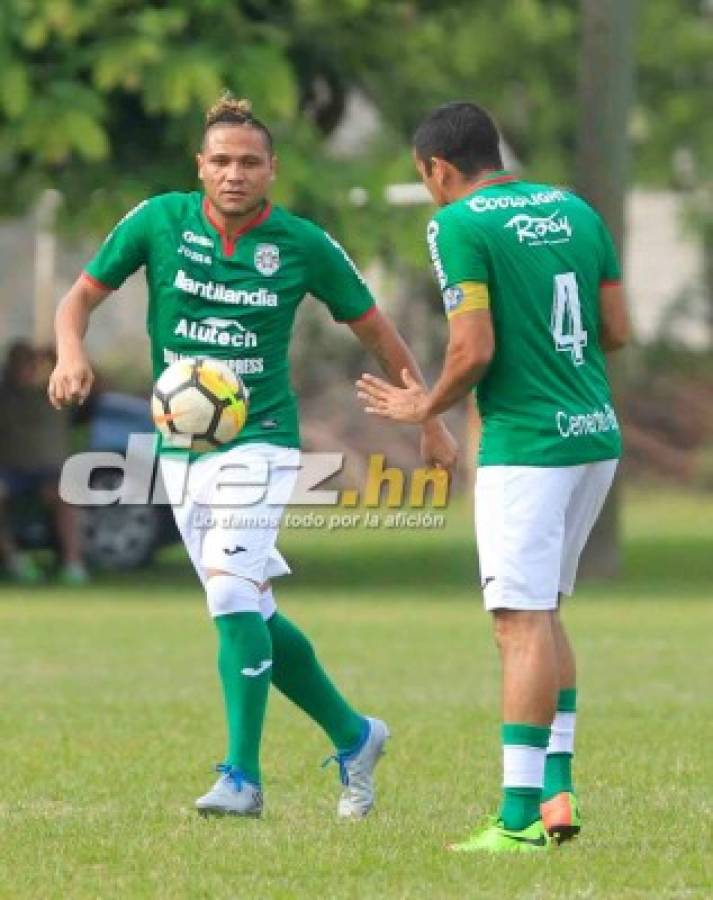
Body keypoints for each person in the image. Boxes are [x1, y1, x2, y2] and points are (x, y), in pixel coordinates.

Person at [48, 95, 457, 819]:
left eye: (248, 162)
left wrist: (425, 415)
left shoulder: (301, 244)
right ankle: (354, 734)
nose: (234, 174)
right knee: (245, 604)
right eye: (221, 161)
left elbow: (378, 332)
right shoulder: (157, 222)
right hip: (180, 442)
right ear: (199, 168)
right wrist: (70, 354)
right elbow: (78, 298)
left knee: (232, 593)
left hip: (262, 438)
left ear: (271, 170)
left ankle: (241, 777)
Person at [357, 101, 630, 852]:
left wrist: (424, 407)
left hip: (527, 445)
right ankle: (555, 789)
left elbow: (471, 349)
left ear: (437, 170)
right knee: (542, 611)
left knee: (516, 622)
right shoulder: (575, 209)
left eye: (427, 180)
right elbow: (616, 330)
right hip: (592, 435)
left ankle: (514, 822)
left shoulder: (457, 224)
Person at [0, 341, 88, 584]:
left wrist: (64, 355)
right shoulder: (5, 397)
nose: (23, 370)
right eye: (18, 363)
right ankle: (14, 561)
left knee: (65, 498)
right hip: (11, 473)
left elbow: (94, 385)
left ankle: (73, 564)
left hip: (51, 473)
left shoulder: (54, 392)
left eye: (29, 363)